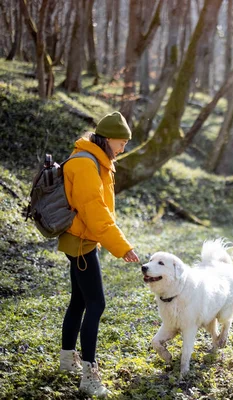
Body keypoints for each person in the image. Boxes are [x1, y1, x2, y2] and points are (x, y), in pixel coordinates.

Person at [57, 111, 139, 397]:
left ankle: (67, 359)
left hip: (81, 239)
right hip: (81, 241)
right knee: (97, 303)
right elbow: (96, 213)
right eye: (120, 143)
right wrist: (122, 246)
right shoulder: (85, 164)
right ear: (106, 139)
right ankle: (89, 376)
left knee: (79, 299)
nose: (123, 148)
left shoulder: (97, 161)